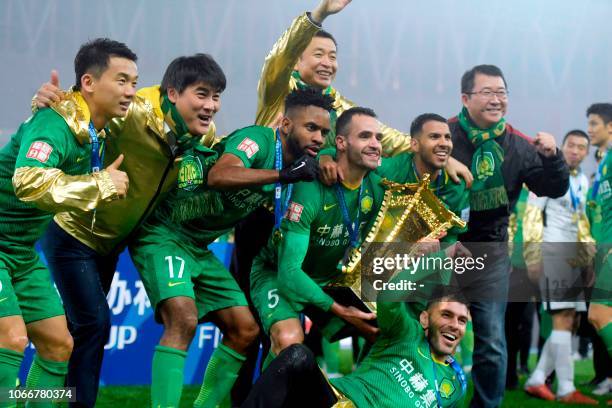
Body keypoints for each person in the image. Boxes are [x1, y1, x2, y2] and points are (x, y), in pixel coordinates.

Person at [32, 54, 222, 407]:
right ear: (173, 92)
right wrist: (47, 104)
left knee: (74, 335)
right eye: (202, 94)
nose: (211, 106)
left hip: (110, 244)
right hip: (72, 234)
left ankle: (40, 399)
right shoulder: (132, 112)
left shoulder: (202, 132)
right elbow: (84, 112)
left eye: (216, 97)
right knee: (92, 326)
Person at [127, 87, 333, 407]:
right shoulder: (257, 139)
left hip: (198, 246)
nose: (319, 138)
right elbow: (220, 175)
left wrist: (329, 160)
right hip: (166, 233)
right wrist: (282, 175)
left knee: (245, 330)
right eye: (311, 128)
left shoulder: (305, 161)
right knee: (183, 318)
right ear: (286, 124)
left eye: (324, 132)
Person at [0, 38, 135, 402]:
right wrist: (99, 184)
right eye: (121, 81)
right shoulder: (54, 123)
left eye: (134, 83)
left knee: (59, 345)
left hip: (22, 254)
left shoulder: (97, 129)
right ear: (88, 83)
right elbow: (27, 180)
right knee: (12, 338)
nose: (130, 91)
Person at [447, 64, 570, 407]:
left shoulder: (520, 144)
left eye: (501, 93)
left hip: (490, 252)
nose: (496, 99)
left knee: (491, 341)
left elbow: (552, 188)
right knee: (423, 330)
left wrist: (554, 158)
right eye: (487, 92)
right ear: (465, 98)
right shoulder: (443, 135)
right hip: (442, 247)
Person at [249, 107, 385, 363]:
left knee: (395, 330)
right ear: (341, 143)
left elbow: (418, 159)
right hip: (278, 273)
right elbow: (289, 272)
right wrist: (341, 311)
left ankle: (359, 399)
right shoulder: (310, 188)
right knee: (289, 342)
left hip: (330, 279)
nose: (375, 144)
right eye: (366, 136)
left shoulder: (378, 184)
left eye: (379, 138)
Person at [241, 293, 470, 408]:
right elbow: (388, 296)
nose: (454, 325)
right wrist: (422, 260)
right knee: (297, 356)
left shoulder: (457, 384)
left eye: (462, 320)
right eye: (446, 315)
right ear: (425, 319)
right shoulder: (407, 333)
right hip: (333, 400)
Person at [523, 129, 598, 404]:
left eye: (581, 147)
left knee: (573, 321)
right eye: (571, 146)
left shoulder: (582, 182)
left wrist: (588, 257)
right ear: (563, 147)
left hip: (573, 259)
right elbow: (531, 215)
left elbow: (582, 223)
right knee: (563, 318)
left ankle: (536, 379)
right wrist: (532, 256)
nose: (575, 151)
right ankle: (566, 388)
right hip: (553, 253)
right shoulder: (548, 175)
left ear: (586, 153)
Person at [586, 103, 612, 384]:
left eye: (594, 123)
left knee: (598, 314)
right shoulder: (604, 161)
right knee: (599, 316)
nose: (590, 129)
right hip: (603, 250)